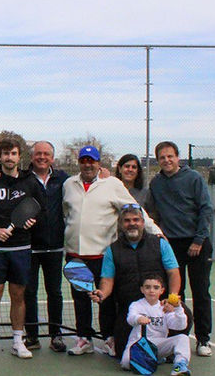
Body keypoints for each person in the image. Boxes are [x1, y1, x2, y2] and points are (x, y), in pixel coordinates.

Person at [63, 145, 162, 356]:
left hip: (103, 255)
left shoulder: (112, 184)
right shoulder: (69, 184)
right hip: (75, 255)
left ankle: (109, 338)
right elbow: (67, 213)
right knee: (80, 300)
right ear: (79, 163)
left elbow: (135, 209)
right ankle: (84, 339)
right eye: (84, 161)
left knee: (106, 300)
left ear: (99, 163)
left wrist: (155, 231)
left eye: (92, 161)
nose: (88, 165)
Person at [0, 139, 45, 361]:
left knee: (18, 295)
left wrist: (33, 221)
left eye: (13, 153)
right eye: (5, 153)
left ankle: (17, 341)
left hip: (21, 248)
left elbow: (40, 210)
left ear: (19, 156)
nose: (9, 157)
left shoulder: (30, 182)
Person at [146, 141, 214, 357]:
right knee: (175, 294)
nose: (167, 160)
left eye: (170, 156)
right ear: (158, 161)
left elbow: (206, 209)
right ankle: (179, 337)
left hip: (197, 244)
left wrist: (199, 239)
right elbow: (153, 213)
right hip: (171, 245)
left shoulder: (193, 178)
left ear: (177, 157)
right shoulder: (156, 183)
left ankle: (203, 339)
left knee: (201, 292)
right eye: (162, 157)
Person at [90, 205, 181, 357]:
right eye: (127, 220)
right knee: (123, 353)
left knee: (184, 315)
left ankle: (171, 349)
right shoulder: (112, 250)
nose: (132, 223)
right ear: (121, 224)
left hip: (159, 305)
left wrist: (172, 299)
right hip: (131, 308)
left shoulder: (160, 243)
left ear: (143, 223)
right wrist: (102, 294)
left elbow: (173, 273)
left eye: (136, 220)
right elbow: (107, 280)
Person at [23, 141, 70, 353]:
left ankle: (56, 335)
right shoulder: (23, 178)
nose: (42, 157)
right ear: (32, 156)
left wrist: (103, 175)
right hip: (29, 247)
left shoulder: (64, 179)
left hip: (55, 247)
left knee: (55, 292)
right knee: (29, 292)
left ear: (52, 158)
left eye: (46, 154)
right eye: (38, 153)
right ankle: (32, 336)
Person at [120, 273, 191, 376]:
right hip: (139, 343)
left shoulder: (165, 307)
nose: (151, 291)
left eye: (156, 287)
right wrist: (138, 319)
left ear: (162, 290)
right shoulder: (136, 305)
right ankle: (155, 359)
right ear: (142, 289)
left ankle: (180, 365)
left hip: (158, 344)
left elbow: (180, 326)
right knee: (125, 363)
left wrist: (178, 308)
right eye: (147, 287)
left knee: (183, 338)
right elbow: (130, 318)